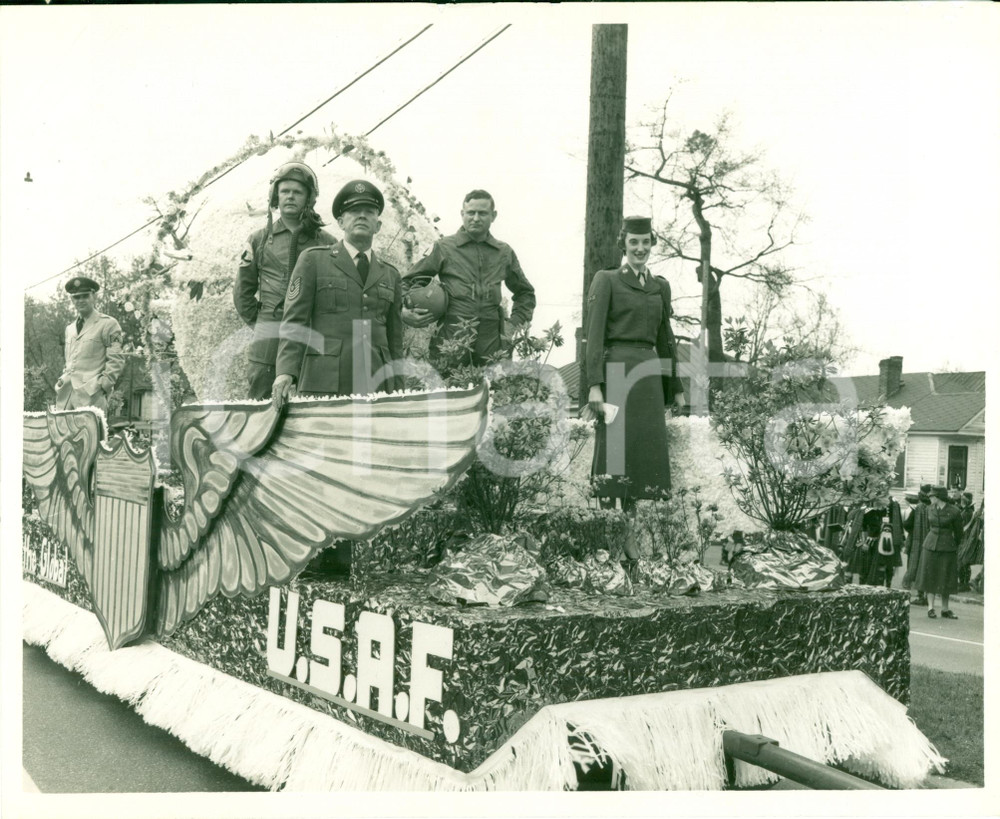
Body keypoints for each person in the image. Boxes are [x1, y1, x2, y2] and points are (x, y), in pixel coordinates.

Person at [585, 215, 685, 576]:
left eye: (645, 242)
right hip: (615, 374)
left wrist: (675, 388)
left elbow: (665, 338)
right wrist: (594, 384)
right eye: (633, 243)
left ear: (652, 244)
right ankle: (611, 546)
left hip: (647, 378)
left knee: (640, 466)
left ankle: (628, 545)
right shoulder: (607, 280)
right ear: (623, 244)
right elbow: (594, 335)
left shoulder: (660, 286)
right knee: (614, 462)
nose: (639, 248)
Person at [273, 179, 403, 403]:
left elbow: (395, 340)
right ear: (341, 222)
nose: (362, 216)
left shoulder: (390, 275)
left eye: (369, 212)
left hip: (378, 386)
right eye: (354, 211)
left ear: (378, 225)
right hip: (324, 382)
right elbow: (295, 321)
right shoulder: (313, 261)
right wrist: (286, 371)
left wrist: (400, 387)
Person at [234, 162, 336, 399]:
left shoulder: (328, 243)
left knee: (313, 404)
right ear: (275, 196)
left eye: (298, 192)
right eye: (285, 191)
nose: (290, 196)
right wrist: (263, 323)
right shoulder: (258, 239)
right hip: (269, 339)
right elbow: (243, 293)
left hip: (311, 335)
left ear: (309, 198)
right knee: (260, 406)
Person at [401, 189, 535, 368]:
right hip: (451, 339)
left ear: (493, 216)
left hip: (493, 343)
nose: (476, 218)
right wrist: (404, 310)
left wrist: (513, 325)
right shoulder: (444, 247)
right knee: (447, 393)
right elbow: (408, 281)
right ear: (462, 214)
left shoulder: (504, 252)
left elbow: (525, 292)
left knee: (493, 393)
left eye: (483, 213)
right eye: (471, 213)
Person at [54, 276, 126, 413]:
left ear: (94, 296)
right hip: (66, 395)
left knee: (91, 434)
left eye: (85, 296)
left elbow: (116, 360)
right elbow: (69, 361)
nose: (80, 300)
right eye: (76, 297)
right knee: (63, 433)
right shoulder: (70, 329)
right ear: (72, 300)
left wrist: (103, 386)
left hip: (91, 396)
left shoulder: (108, 324)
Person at [914, 485, 966, 619]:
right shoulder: (929, 509)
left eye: (932, 496)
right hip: (930, 546)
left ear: (939, 497)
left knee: (945, 577)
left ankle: (945, 609)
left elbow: (959, 533)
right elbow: (927, 528)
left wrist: (953, 544)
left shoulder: (954, 511)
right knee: (929, 576)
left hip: (947, 547)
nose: (930, 498)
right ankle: (930, 608)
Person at [841, 493, 904, 587]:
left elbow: (874, 527)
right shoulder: (863, 509)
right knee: (860, 568)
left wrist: (867, 541)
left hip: (869, 542)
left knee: (869, 568)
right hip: (859, 541)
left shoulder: (872, 511)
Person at [902, 485, 932, 605]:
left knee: (915, 566)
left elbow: (907, 524)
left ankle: (920, 595)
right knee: (927, 567)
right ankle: (926, 596)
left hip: (917, 543)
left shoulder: (918, 509)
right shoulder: (933, 507)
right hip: (930, 541)